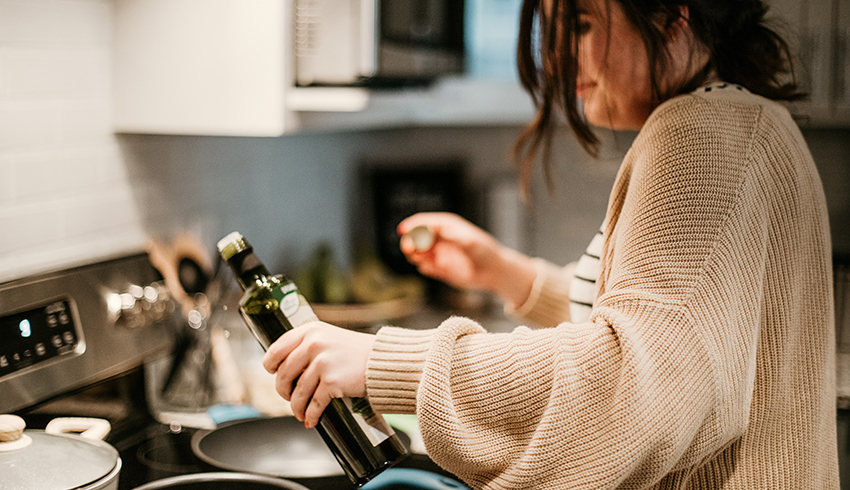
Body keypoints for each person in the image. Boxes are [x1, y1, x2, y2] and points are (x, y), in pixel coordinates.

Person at [262, 0, 839, 487]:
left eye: (581, 24)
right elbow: (678, 329)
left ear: (669, 17)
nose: (557, 57)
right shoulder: (750, 121)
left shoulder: (701, 135)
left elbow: (628, 385)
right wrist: (503, 272)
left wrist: (384, 362)